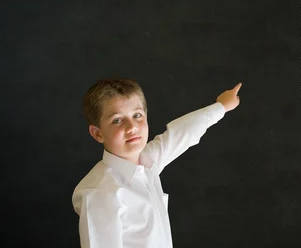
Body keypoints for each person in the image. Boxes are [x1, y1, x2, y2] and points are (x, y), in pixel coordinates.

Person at [72, 78, 241, 248]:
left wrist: (221, 107)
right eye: (117, 120)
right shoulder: (100, 193)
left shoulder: (147, 162)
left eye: (137, 115)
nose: (132, 127)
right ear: (97, 133)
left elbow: (180, 135)